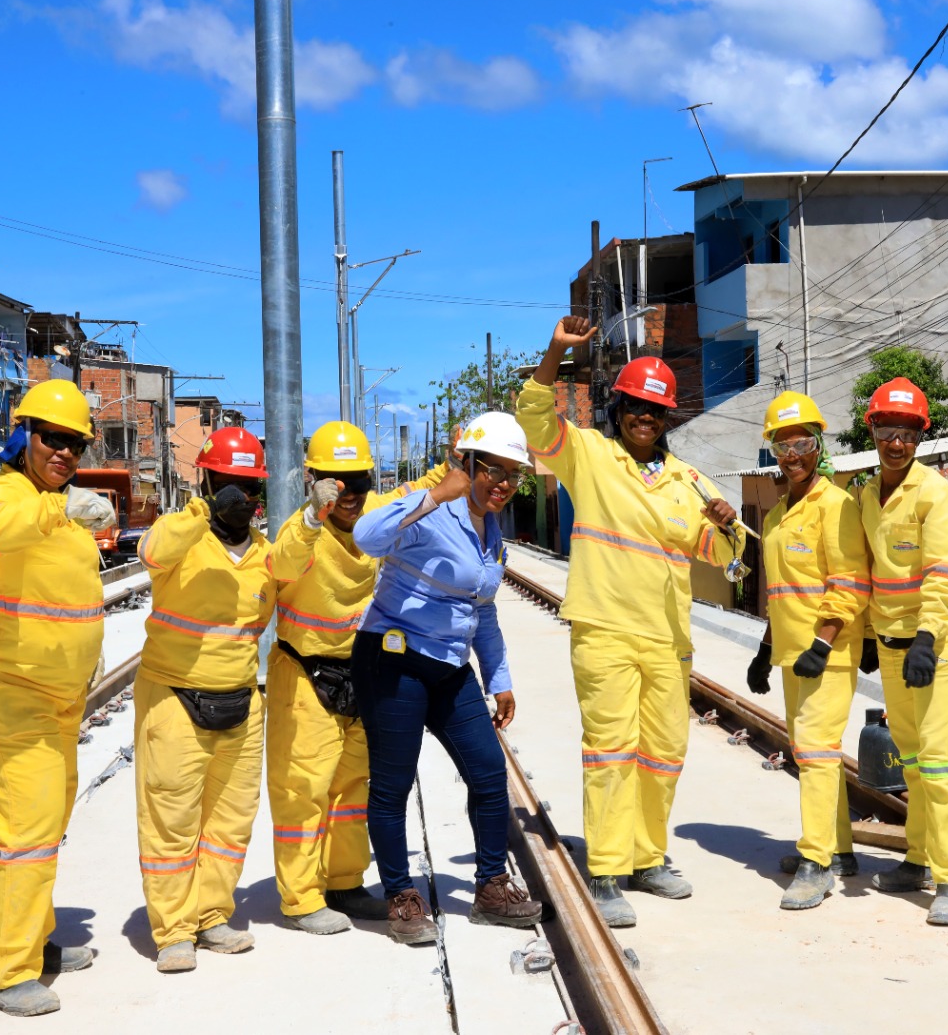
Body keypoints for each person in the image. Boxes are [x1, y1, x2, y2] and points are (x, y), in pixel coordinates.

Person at [517, 316, 741, 929]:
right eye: (636, 406)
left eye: (656, 410)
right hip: (606, 629)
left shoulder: (688, 481)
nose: (645, 416)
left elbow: (726, 555)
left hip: (668, 639)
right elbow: (536, 420)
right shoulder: (589, 455)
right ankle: (608, 869)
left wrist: (723, 524)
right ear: (618, 408)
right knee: (611, 752)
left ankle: (648, 857)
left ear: (667, 418)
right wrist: (557, 351)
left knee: (663, 754)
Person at [0, 379, 116, 1017]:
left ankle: (35, 941)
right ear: (23, 438)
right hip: (3, 689)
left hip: (55, 701)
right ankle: (9, 969)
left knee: (45, 823)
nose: (65, 452)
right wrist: (62, 510)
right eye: (53, 439)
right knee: (26, 828)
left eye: (75, 443)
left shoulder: (56, 505)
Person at [350, 411, 543, 945]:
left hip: (450, 667)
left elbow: (483, 611)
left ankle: (490, 887)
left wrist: (498, 677)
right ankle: (402, 898)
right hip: (394, 659)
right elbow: (366, 536)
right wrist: (437, 494)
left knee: (487, 773)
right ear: (467, 462)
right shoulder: (429, 504)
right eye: (493, 470)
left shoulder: (492, 527)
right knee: (394, 784)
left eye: (513, 474)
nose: (503, 484)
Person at [264, 421, 444, 935]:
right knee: (303, 788)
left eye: (358, 480)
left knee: (351, 790)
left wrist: (455, 459)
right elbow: (281, 565)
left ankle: (343, 882)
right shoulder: (302, 531)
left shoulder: (375, 519)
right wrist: (310, 516)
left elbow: (417, 492)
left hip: (363, 673)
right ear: (315, 480)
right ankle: (300, 899)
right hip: (305, 674)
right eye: (336, 483)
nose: (349, 493)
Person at [133, 426, 275, 972]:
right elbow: (151, 550)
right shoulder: (180, 534)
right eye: (230, 486)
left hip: (241, 697)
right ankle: (173, 930)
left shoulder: (263, 553)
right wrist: (201, 511)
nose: (242, 499)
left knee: (231, 819)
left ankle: (213, 914)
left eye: (250, 488)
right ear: (210, 481)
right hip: (174, 697)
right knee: (171, 815)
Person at [743, 392, 870, 911]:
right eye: (782, 445)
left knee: (815, 754)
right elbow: (781, 593)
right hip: (793, 654)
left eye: (803, 444)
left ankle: (816, 864)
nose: (792, 455)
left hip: (828, 653)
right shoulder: (777, 515)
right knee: (814, 756)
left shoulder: (835, 506)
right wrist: (763, 648)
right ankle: (838, 849)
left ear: (819, 446)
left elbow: (850, 582)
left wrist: (823, 643)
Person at [857, 377, 948, 926]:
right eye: (887, 430)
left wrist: (926, 637)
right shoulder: (865, 496)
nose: (895, 442)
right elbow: (867, 573)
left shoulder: (935, 493)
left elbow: (943, 573)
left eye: (906, 433)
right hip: (890, 646)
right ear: (873, 431)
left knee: (942, 763)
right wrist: (864, 638)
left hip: (936, 649)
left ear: (920, 437)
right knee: (912, 765)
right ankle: (918, 858)